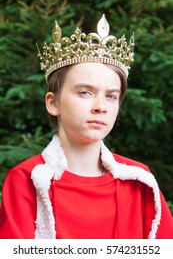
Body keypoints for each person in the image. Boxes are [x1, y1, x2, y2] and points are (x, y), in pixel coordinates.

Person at [0, 14, 173, 239]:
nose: (100, 106)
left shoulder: (140, 180)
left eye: (111, 96)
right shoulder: (26, 179)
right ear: (53, 103)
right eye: (85, 92)